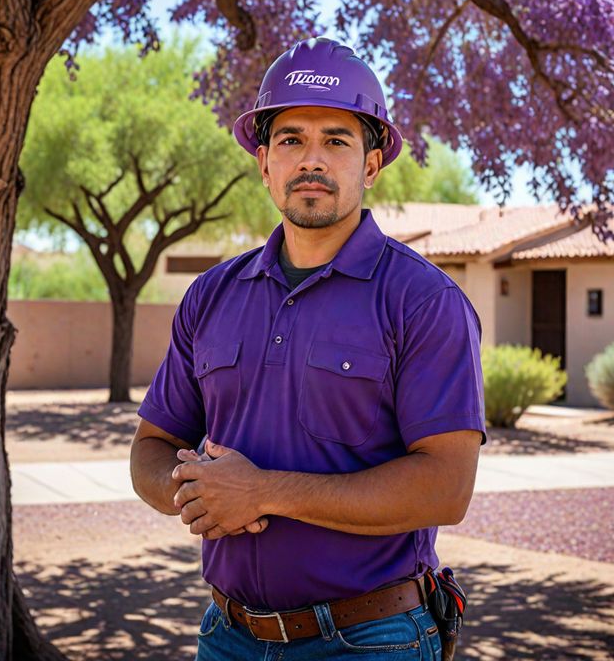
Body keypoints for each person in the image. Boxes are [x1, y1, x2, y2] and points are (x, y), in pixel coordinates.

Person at [130, 37, 486, 660]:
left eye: (337, 141)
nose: (311, 160)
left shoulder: (424, 301)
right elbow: (151, 449)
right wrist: (193, 492)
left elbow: (446, 488)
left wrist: (262, 491)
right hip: (227, 637)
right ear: (264, 161)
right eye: (292, 139)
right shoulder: (211, 296)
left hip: (372, 640)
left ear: (371, 164)